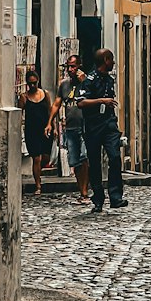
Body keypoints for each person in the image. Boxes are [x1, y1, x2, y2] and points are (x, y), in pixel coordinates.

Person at [77, 48, 127, 212]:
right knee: (95, 163)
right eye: (111, 60)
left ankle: (116, 197)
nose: (113, 63)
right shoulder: (89, 79)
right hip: (93, 125)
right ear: (105, 60)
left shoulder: (109, 80)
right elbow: (81, 103)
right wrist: (101, 101)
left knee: (114, 157)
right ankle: (98, 198)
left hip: (109, 124)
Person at [46, 55, 90, 204]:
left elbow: (95, 96)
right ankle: (82, 192)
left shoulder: (87, 81)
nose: (70, 70)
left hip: (85, 126)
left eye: (73, 66)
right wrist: (50, 122)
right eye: (68, 67)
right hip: (70, 127)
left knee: (84, 158)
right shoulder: (64, 85)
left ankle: (85, 192)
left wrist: (84, 81)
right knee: (75, 161)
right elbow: (57, 104)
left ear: (79, 66)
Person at [20, 69, 52, 197]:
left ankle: (38, 174)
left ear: (38, 81)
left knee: (46, 157)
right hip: (32, 131)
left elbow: (50, 110)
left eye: (34, 83)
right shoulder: (24, 97)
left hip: (45, 129)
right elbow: (19, 113)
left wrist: (52, 125)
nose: (32, 86)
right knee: (36, 158)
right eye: (30, 84)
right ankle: (38, 184)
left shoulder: (45, 94)